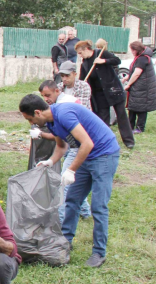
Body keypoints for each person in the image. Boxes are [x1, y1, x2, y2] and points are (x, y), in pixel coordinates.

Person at [19, 94, 120, 268]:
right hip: (86, 156)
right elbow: (61, 146)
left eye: (30, 119)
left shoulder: (64, 114)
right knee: (72, 200)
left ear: (37, 112)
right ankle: (65, 241)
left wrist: (71, 169)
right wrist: (50, 162)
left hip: (104, 155)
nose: (31, 124)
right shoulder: (50, 122)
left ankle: (99, 252)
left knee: (98, 206)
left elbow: (87, 143)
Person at [35, 78, 92, 220]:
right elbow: (61, 141)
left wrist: (41, 134)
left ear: (57, 91)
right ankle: (85, 212)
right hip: (74, 143)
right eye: (43, 96)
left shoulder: (63, 106)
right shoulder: (58, 104)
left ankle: (60, 223)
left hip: (81, 144)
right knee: (69, 180)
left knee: (64, 184)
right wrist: (51, 161)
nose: (46, 99)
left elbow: (65, 138)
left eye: (48, 95)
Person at [76, 40, 134, 149]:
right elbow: (82, 79)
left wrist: (104, 61)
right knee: (103, 118)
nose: (80, 55)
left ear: (86, 49)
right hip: (99, 95)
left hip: (113, 89)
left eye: (80, 52)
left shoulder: (100, 53)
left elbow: (117, 60)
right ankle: (105, 141)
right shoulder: (85, 63)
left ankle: (129, 141)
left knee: (121, 115)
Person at [123, 41, 156, 134]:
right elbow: (134, 70)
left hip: (143, 88)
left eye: (132, 50)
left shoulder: (143, 59)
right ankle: (130, 126)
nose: (131, 52)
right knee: (132, 106)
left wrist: (128, 85)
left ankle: (140, 128)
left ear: (136, 50)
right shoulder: (140, 57)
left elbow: (137, 73)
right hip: (138, 87)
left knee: (141, 108)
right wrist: (127, 77)